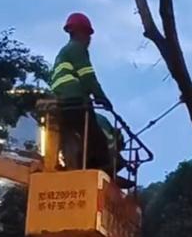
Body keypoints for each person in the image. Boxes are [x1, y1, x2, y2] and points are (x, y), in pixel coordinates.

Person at [50, 12, 132, 185]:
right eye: (88, 35)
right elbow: (88, 78)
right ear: (80, 32)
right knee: (96, 140)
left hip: (65, 103)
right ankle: (105, 172)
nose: (89, 40)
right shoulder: (77, 49)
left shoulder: (64, 52)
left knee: (85, 139)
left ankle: (92, 169)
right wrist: (102, 98)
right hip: (75, 101)